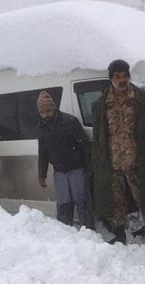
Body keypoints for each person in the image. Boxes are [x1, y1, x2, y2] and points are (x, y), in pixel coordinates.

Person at [91, 59, 145, 250]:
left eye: (125, 75)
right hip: (113, 164)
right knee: (115, 201)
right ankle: (119, 235)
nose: (122, 80)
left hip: (138, 161)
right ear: (111, 79)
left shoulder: (141, 99)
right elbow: (98, 136)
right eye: (118, 76)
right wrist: (98, 163)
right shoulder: (102, 103)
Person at [36, 90, 94, 229]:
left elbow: (84, 144)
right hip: (59, 171)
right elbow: (42, 151)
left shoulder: (69, 121)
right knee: (63, 203)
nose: (46, 115)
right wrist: (42, 174)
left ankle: (89, 230)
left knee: (82, 201)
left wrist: (90, 167)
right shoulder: (41, 127)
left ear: (54, 108)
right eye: (43, 112)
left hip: (77, 168)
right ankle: (64, 231)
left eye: (49, 111)